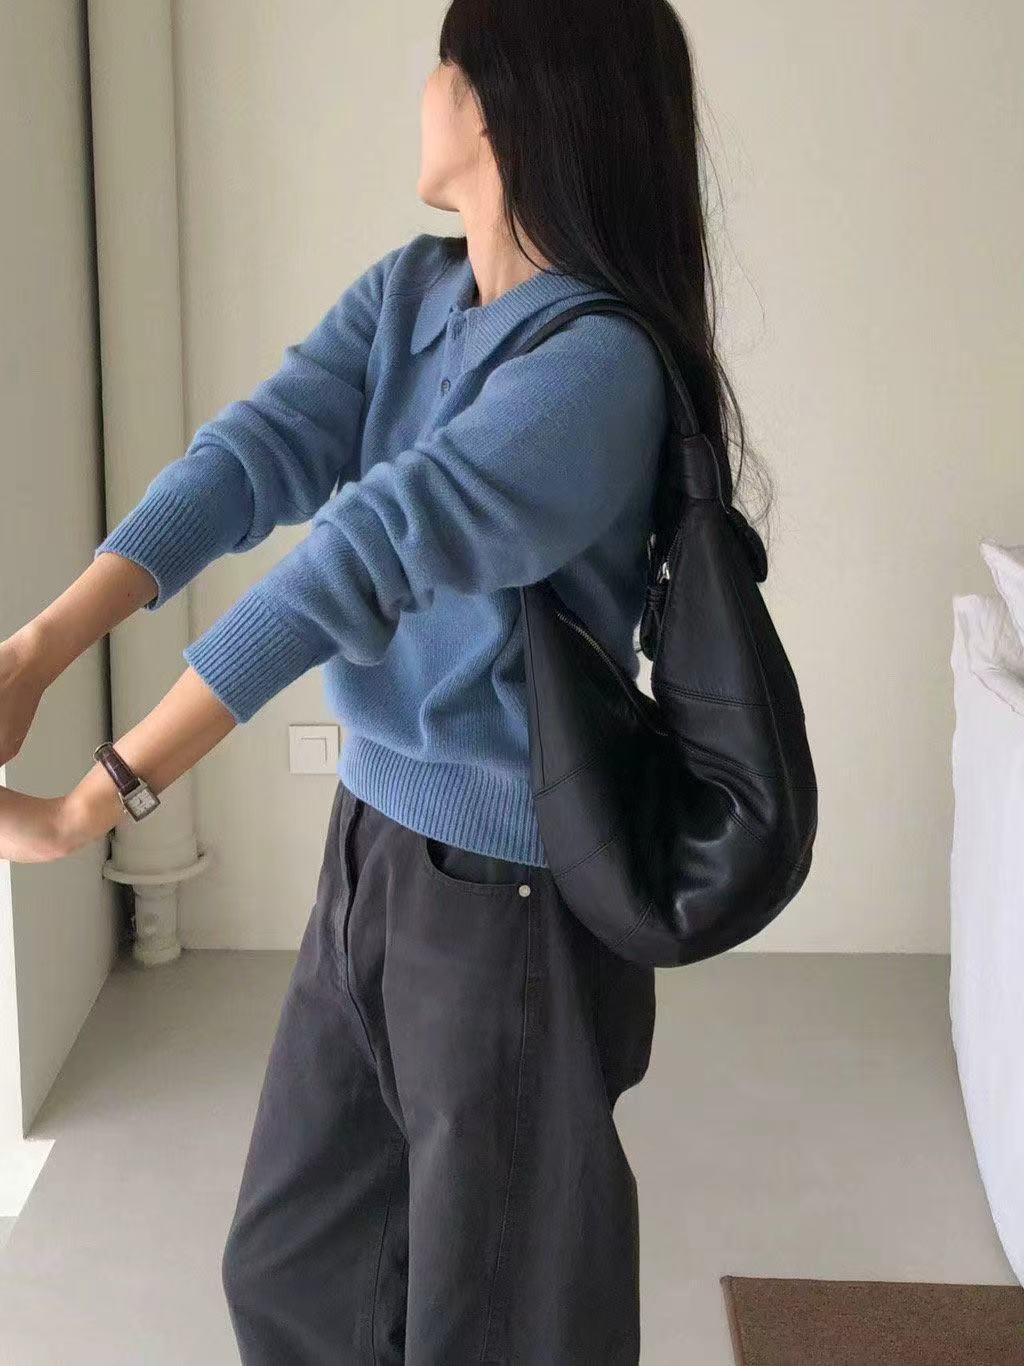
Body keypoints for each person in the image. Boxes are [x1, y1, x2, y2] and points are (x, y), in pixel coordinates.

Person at [0, 1, 771, 1359]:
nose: (423, 91)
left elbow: (357, 558)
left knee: (497, 1317)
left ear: (504, 102)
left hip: (508, 898)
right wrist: (34, 650)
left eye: (443, 64)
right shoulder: (415, 294)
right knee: (297, 1268)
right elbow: (247, 461)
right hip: (371, 851)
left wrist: (95, 801)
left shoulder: (593, 369)